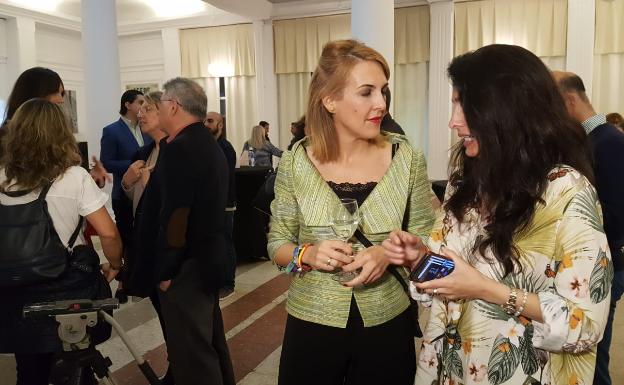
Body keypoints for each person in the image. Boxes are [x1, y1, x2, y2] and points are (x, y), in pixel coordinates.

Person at [382, 44, 611, 385]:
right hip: (447, 369)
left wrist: (486, 289)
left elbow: (585, 326)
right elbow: (451, 273)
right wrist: (420, 259)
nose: (453, 121)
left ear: (506, 110)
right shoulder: (465, 184)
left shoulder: (566, 192)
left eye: (464, 105)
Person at [268, 39, 435, 385]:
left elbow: (427, 237)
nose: (381, 104)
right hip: (312, 321)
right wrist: (307, 254)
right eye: (366, 92)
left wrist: (387, 254)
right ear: (329, 100)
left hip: (387, 320)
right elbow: (277, 244)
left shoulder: (407, 159)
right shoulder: (296, 162)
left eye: (383, 91)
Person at [0, 99, 122, 385]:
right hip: (66, 289)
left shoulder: (3, 176)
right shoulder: (74, 177)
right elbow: (108, 232)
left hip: (14, 288)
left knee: (29, 369)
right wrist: (115, 263)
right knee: (74, 363)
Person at [153, 77, 234, 385]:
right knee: (210, 344)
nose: (158, 110)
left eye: (160, 104)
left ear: (173, 106)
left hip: (187, 266)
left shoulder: (180, 148)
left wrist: (167, 268)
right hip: (208, 258)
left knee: (192, 354)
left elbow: (177, 215)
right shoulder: (206, 143)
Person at [552, 71, 624, 385]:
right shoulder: (590, 141)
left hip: (604, 269)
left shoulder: (609, 142)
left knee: (592, 363)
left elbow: (617, 214)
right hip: (590, 268)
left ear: (568, 101)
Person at [119, 91, 174, 384]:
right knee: (161, 310)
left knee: (174, 316)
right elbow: (133, 201)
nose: (141, 113)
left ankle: (180, 367)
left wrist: (154, 186)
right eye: (140, 108)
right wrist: (127, 183)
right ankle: (175, 364)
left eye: (148, 108)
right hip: (146, 243)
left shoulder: (175, 152)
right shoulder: (143, 153)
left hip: (167, 246)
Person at [0, 67, 109, 187]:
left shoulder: (59, 139)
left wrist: (90, 178)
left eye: (62, 94)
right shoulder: (6, 141)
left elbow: (61, 182)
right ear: (36, 95)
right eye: (57, 93)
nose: (61, 100)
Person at [100, 89, 151, 253]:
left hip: (145, 192)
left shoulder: (146, 128)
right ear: (127, 104)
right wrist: (133, 165)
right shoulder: (111, 131)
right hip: (122, 195)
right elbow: (106, 163)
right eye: (140, 102)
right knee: (128, 242)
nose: (143, 107)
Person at [204, 111, 238, 300]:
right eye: (205, 121)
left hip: (224, 205)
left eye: (210, 121)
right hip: (210, 205)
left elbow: (222, 179)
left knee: (225, 243)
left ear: (220, 125)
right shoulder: (207, 146)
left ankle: (228, 283)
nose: (206, 124)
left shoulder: (225, 148)